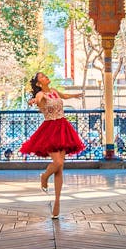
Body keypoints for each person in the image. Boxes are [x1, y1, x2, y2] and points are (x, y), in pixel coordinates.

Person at [20, 72, 85, 219]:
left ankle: (57, 202)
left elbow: (64, 96)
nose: (45, 77)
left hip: (63, 127)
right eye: (42, 77)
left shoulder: (54, 91)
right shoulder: (40, 94)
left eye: (45, 75)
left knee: (60, 168)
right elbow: (37, 99)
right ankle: (44, 177)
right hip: (50, 129)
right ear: (38, 83)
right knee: (58, 162)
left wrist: (76, 95)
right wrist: (33, 101)